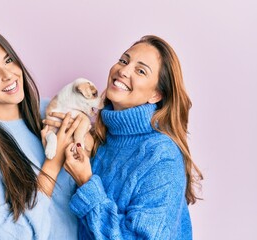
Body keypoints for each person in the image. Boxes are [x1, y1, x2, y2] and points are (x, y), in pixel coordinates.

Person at [62, 35, 203, 239]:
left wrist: (86, 182)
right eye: (124, 60)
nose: (123, 70)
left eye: (141, 71)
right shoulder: (101, 138)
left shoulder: (162, 156)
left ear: (156, 95)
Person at [0, 25, 82, 239]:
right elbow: (10, 235)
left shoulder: (50, 111)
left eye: (8, 60)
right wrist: (53, 163)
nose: (8, 75)